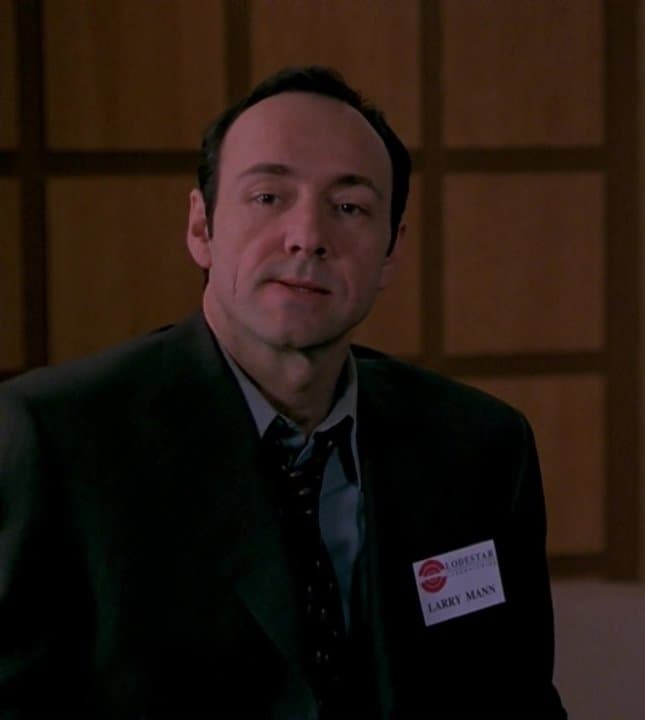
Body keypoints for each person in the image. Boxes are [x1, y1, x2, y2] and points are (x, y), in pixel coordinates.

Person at [0, 66, 565, 718]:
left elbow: (519, 701)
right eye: (268, 197)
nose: (308, 237)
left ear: (390, 251)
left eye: (349, 208)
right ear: (201, 228)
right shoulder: (59, 440)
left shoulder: (480, 447)